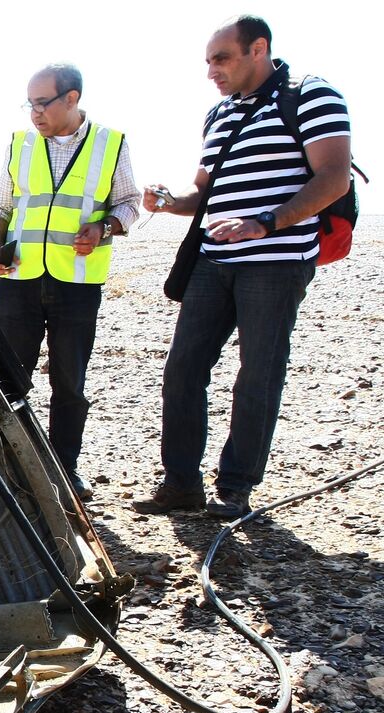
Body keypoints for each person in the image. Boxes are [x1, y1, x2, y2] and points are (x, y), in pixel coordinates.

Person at [134, 14, 352, 518]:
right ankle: (181, 484)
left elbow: (333, 179)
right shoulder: (219, 115)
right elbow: (204, 193)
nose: (212, 70)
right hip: (215, 261)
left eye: (221, 58)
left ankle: (235, 489)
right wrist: (170, 200)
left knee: (258, 373)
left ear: (259, 48)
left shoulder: (311, 95)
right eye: (208, 61)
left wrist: (266, 222)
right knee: (184, 368)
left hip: (275, 261)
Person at [0, 64, 138, 500]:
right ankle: (7, 465)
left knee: (69, 382)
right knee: (7, 376)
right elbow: (0, 204)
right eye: (29, 104)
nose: (33, 113)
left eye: (42, 102)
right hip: (20, 282)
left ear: (71, 99)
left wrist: (104, 228)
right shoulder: (20, 144)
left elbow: (130, 204)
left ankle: (64, 468)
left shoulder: (111, 144)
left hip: (77, 285)